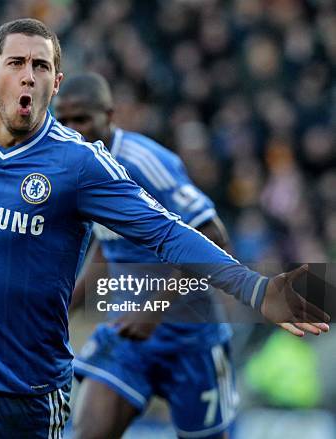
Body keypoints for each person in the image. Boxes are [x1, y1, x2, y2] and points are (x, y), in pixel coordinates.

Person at [0, 18, 329, 439]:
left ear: (56, 82)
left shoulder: (81, 166)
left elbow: (170, 232)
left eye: (41, 66)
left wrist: (254, 288)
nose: (28, 75)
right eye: (17, 63)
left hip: (20, 390)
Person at [55, 72, 240, 438]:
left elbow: (214, 236)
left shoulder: (144, 163)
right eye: (63, 121)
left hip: (192, 339)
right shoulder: (77, 170)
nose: (73, 130)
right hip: (129, 336)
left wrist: (153, 309)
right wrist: (64, 307)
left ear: (109, 115)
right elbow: (109, 247)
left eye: (82, 120)